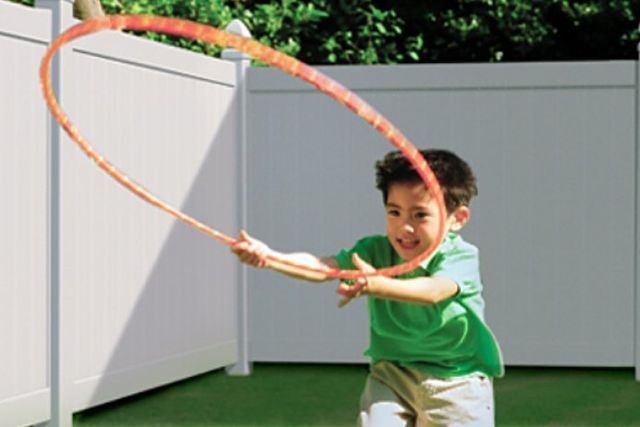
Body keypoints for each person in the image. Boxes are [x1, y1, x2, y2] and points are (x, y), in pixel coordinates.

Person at [231, 149, 504, 426]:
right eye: (394, 212)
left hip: (456, 381)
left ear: (457, 218)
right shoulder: (372, 251)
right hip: (392, 374)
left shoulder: (460, 256)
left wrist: (377, 284)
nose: (404, 227)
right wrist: (271, 258)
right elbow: (323, 268)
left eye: (420, 215)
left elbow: (433, 291)